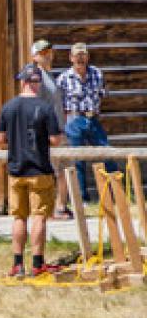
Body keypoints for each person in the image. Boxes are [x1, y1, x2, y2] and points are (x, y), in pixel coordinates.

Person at [0, 65, 64, 277]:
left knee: (19, 217)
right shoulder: (45, 108)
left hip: (16, 170)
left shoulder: (8, 107)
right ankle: (37, 263)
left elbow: (0, 141)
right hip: (40, 169)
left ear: (22, 82)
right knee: (39, 217)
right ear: (36, 84)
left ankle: (17, 264)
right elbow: (55, 140)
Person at [57, 42, 112, 203]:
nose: (80, 58)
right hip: (74, 119)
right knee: (78, 159)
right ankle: (82, 199)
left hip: (93, 118)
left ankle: (112, 194)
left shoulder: (97, 73)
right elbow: (58, 103)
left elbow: (103, 93)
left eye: (83, 55)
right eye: (77, 55)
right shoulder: (63, 78)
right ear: (71, 58)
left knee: (106, 153)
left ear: (87, 57)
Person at [30, 40, 71, 219]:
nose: (46, 55)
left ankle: (61, 206)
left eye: (48, 51)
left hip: (59, 130)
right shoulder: (36, 76)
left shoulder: (48, 75)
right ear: (34, 56)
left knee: (64, 169)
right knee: (51, 171)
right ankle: (49, 208)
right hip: (48, 132)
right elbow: (35, 106)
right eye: (42, 52)